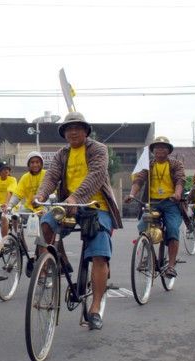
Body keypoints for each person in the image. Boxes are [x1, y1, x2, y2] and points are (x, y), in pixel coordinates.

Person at [34, 112, 122, 330]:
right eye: (68, 128)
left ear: (86, 131)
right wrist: (41, 195)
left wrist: (75, 197)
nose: (73, 131)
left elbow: (96, 176)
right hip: (69, 205)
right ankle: (54, 264)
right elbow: (51, 177)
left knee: (99, 255)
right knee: (45, 224)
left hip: (96, 206)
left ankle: (95, 307)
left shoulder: (99, 149)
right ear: (64, 133)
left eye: (78, 128)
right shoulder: (61, 154)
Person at [125, 136, 185, 279]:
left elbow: (180, 179)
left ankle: (171, 266)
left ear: (168, 151)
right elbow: (139, 180)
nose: (160, 150)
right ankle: (149, 255)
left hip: (170, 202)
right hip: (152, 203)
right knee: (142, 227)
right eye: (157, 148)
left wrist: (177, 193)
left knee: (172, 230)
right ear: (153, 151)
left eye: (163, 148)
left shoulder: (175, 164)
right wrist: (132, 194)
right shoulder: (148, 166)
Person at [6, 151, 47, 276]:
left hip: (44, 208)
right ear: (28, 165)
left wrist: (45, 203)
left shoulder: (47, 175)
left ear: (41, 163)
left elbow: (53, 192)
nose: (35, 165)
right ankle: (21, 243)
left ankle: (43, 269)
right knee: (15, 216)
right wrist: (9, 206)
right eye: (32, 162)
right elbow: (18, 194)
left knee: (42, 238)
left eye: (37, 162)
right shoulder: (24, 177)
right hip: (29, 209)